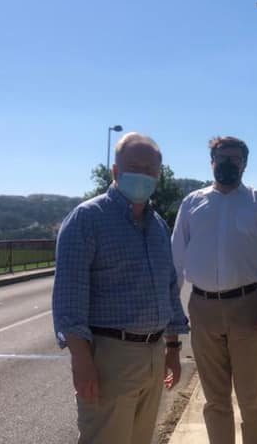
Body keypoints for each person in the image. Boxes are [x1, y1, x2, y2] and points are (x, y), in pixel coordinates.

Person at [52, 132, 188, 444]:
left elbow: (168, 288)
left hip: (154, 355)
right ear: (115, 172)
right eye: (134, 167)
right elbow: (68, 298)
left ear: (158, 175)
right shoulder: (87, 219)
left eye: (150, 170)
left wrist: (173, 348)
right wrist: (81, 361)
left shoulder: (157, 226)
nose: (142, 175)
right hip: (110, 356)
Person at [171, 135, 257, 444]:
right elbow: (176, 260)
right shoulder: (192, 203)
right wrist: (172, 313)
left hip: (248, 307)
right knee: (215, 401)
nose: (227, 164)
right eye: (222, 158)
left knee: (253, 400)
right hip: (203, 308)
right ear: (212, 162)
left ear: (244, 164)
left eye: (234, 159)